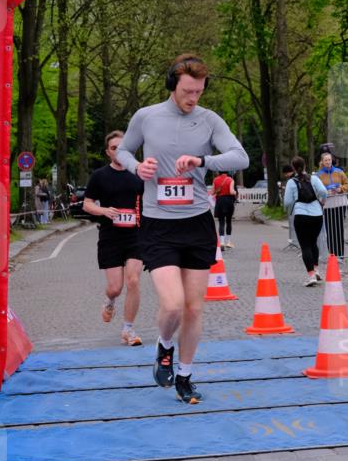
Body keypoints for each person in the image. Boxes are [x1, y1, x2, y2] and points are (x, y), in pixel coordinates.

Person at [117, 54, 249, 404]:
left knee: (194, 308)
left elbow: (241, 156)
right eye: (188, 91)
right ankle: (165, 347)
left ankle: (186, 375)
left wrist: (203, 161)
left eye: (199, 92)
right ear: (172, 86)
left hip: (196, 223)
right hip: (158, 223)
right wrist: (137, 167)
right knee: (172, 305)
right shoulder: (146, 117)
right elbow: (124, 152)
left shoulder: (208, 120)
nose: (194, 98)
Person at [82, 130, 145, 346]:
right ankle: (110, 301)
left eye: (122, 147)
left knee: (134, 281)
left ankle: (128, 330)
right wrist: (104, 211)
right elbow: (87, 203)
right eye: (114, 148)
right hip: (110, 237)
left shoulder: (138, 174)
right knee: (116, 288)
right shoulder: (99, 176)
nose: (118, 151)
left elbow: (151, 202)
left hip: (136, 235)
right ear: (108, 152)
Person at [284, 156, 328, 286]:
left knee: (305, 246)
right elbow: (323, 191)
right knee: (313, 243)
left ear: (293, 168)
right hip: (317, 215)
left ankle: (311, 276)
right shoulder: (313, 178)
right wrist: (322, 201)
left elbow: (287, 202)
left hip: (301, 216)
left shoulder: (292, 182)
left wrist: (291, 209)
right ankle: (316, 270)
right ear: (304, 166)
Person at [316, 150, 348, 260]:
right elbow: (316, 190)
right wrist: (325, 191)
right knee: (330, 230)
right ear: (322, 162)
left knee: (339, 228)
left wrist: (341, 189)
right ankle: (332, 255)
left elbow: (347, 184)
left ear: (332, 160)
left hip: (340, 203)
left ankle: (341, 255)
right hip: (328, 205)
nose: (328, 162)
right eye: (325, 160)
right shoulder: (319, 175)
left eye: (329, 160)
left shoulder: (339, 172)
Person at [212, 170, 237, 249]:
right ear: (227, 172)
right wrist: (235, 192)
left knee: (221, 222)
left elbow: (213, 192)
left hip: (219, 201)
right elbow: (231, 191)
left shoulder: (215, 180)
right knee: (228, 221)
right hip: (229, 201)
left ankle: (222, 242)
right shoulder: (230, 180)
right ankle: (228, 242)